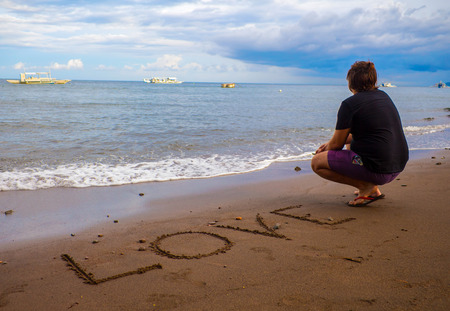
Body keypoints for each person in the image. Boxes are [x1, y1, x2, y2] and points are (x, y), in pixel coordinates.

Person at [311, 61, 408, 207]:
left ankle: (366, 186)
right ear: (373, 80)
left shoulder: (349, 104)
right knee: (350, 141)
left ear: (351, 83)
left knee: (316, 163)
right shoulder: (383, 96)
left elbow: (336, 145)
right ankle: (372, 188)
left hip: (378, 169)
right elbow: (367, 134)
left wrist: (325, 150)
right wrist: (330, 144)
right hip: (398, 165)